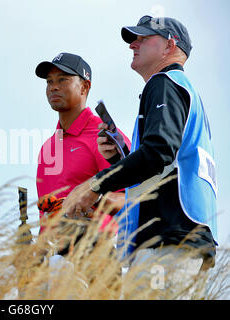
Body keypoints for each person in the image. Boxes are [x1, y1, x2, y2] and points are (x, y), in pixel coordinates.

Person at [63, 16, 218, 298]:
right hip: (183, 240)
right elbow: (166, 163)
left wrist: (95, 184)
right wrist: (120, 157)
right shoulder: (182, 88)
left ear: (170, 45)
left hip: (168, 243)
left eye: (144, 38)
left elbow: (158, 152)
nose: (133, 43)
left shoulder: (164, 83)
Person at [35, 52, 131, 250]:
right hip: (54, 262)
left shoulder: (105, 136)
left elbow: (137, 197)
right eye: (49, 81)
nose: (53, 87)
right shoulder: (47, 148)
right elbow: (45, 217)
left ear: (85, 86)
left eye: (63, 79)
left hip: (97, 255)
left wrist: (94, 199)